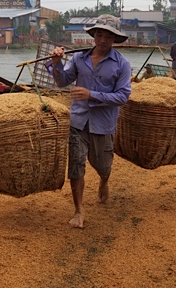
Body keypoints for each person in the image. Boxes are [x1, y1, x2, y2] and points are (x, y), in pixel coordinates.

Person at [47, 14, 132, 229]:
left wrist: (91, 94)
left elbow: (123, 96)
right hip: (78, 121)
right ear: (94, 35)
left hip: (103, 124)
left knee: (103, 165)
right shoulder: (78, 59)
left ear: (114, 39)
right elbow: (62, 81)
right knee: (76, 165)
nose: (103, 40)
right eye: (100, 34)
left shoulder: (122, 65)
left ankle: (104, 181)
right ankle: (78, 211)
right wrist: (56, 64)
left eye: (108, 36)